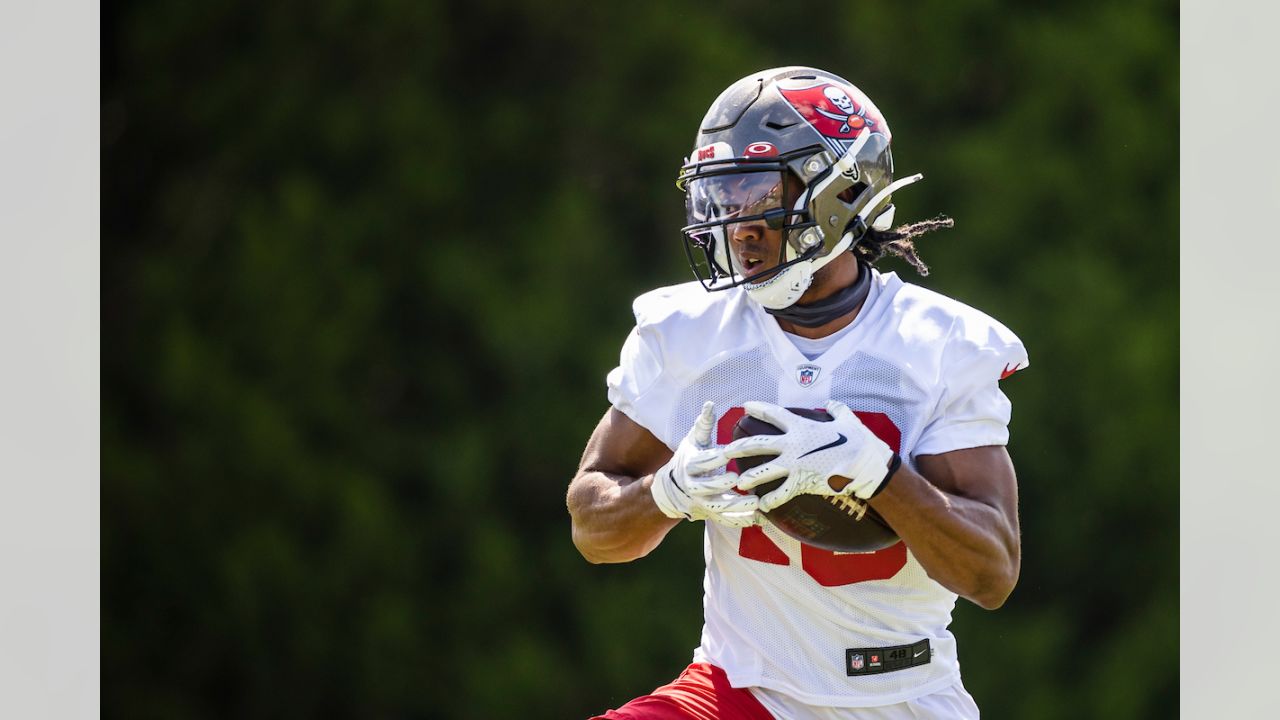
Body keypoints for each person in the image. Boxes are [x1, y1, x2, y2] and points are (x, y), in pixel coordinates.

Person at [566, 66, 1028, 720]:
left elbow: (992, 573)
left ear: (840, 192)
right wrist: (666, 492)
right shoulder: (690, 335)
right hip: (737, 691)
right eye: (723, 199)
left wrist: (876, 474)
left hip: (900, 699)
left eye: (757, 194)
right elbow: (592, 524)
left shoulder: (937, 346)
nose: (739, 226)